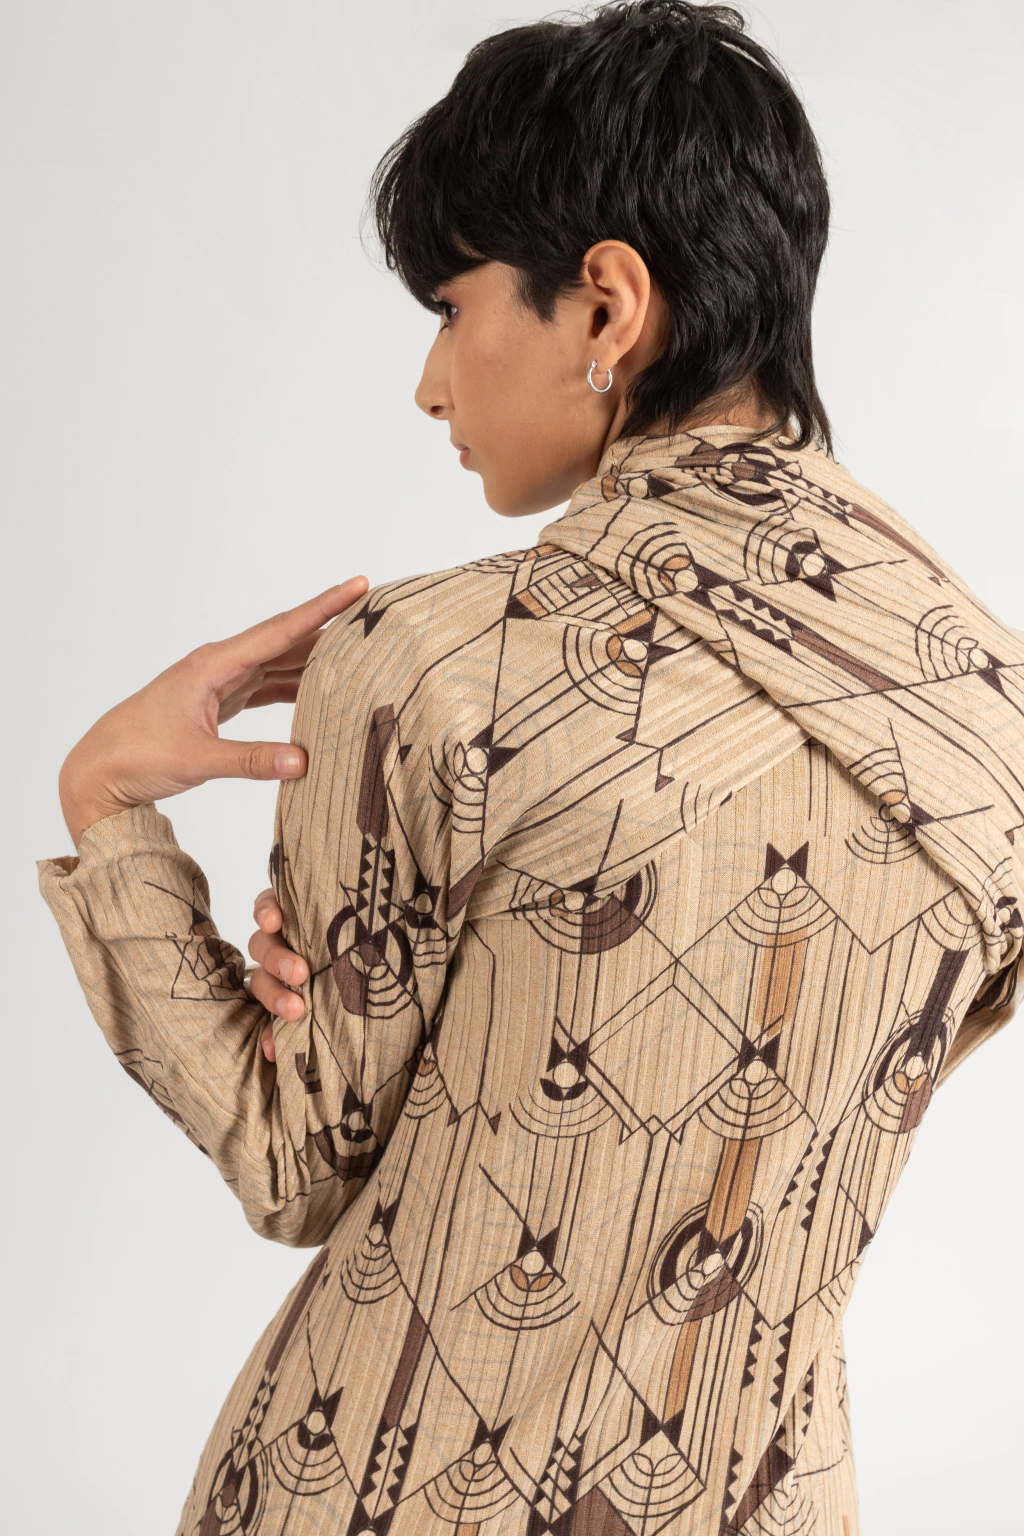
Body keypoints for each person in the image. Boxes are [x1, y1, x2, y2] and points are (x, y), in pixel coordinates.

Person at [38, 4, 1023, 1533]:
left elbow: (294, 1167)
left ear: (607, 305)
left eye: (451, 306)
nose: (431, 383)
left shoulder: (430, 669)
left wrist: (109, 807)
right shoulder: (990, 708)